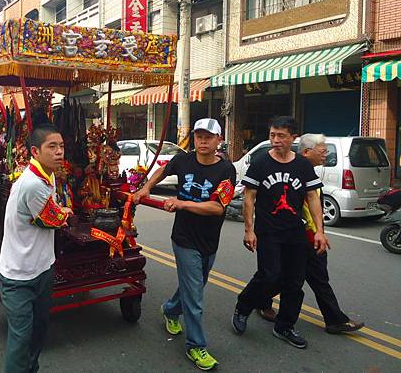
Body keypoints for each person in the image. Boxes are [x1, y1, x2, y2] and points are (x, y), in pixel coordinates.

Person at [134, 118, 236, 371]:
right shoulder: (183, 160)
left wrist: (182, 203)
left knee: (194, 287)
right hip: (184, 239)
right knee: (195, 297)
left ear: (218, 141)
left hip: (209, 240)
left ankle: (170, 310)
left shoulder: (226, 170)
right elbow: (163, 170)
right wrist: (146, 187)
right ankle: (196, 346)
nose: (202, 141)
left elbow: (217, 207)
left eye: (208, 137)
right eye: (199, 136)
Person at [232, 116, 329, 349]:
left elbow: (313, 197)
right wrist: (249, 230)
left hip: (295, 232)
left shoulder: (303, 166)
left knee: (294, 282)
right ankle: (243, 306)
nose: (275, 140)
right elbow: (249, 197)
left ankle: (284, 326)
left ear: (293, 138)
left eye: (281, 136)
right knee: (269, 275)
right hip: (268, 232)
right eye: (272, 135)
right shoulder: (261, 163)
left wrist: (320, 231)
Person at [256, 133, 364, 334]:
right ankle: (258, 301)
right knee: (282, 277)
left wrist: (320, 232)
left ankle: (334, 319)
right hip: (298, 238)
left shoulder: (309, 172)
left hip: (309, 237)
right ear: (307, 152)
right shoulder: (297, 172)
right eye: (322, 151)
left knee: (313, 278)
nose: (325, 155)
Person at [0, 124, 73, 373]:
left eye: (61, 146)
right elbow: (51, 220)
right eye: (52, 147)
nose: (59, 152)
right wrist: (64, 214)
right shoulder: (32, 184)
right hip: (18, 275)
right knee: (21, 339)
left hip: (42, 268)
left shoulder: (46, 174)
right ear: (35, 151)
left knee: (39, 331)